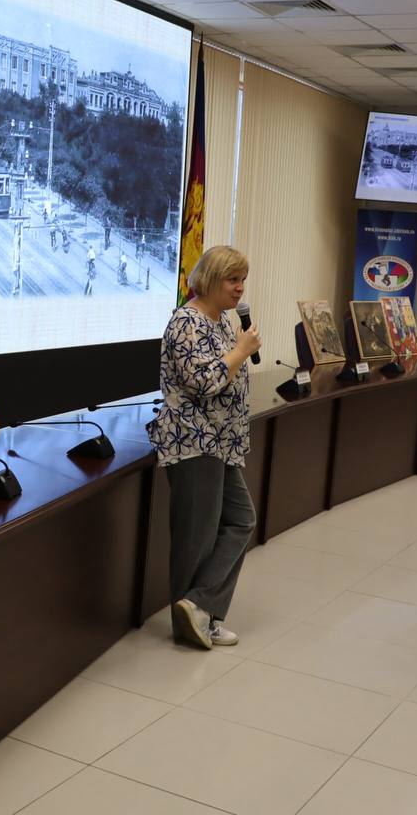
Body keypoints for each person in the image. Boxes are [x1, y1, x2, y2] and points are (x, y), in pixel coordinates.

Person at [147, 245, 260, 650]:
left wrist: (239, 350)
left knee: (241, 520)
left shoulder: (221, 321)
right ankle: (192, 623)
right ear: (210, 280)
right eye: (233, 280)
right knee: (196, 538)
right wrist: (242, 351)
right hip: (192, 441)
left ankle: (199, 606)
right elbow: (206, 381)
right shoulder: (185, 323)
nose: (239, 288)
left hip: (220, 442)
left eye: (242, 279)